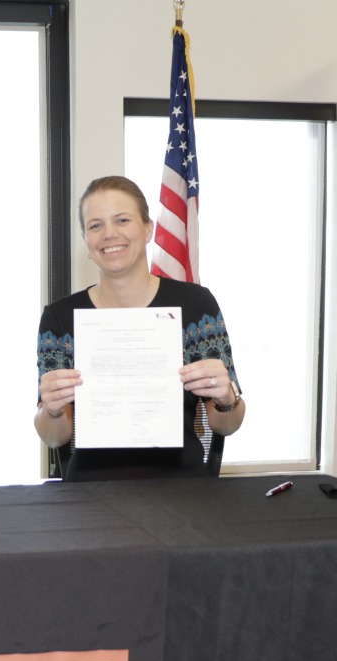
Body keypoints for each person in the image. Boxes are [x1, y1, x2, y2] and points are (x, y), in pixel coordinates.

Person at [36, 176, 244, 480]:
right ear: (86, 239)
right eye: (95, 226)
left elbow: (227, 425)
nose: (109, 234)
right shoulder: (60, 318)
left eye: (122, 220)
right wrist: (52, 410)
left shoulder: (196, 306)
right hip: (90, 493)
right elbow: (55, 437)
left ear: (148, 229)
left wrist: (227, 400)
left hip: (183, 489)